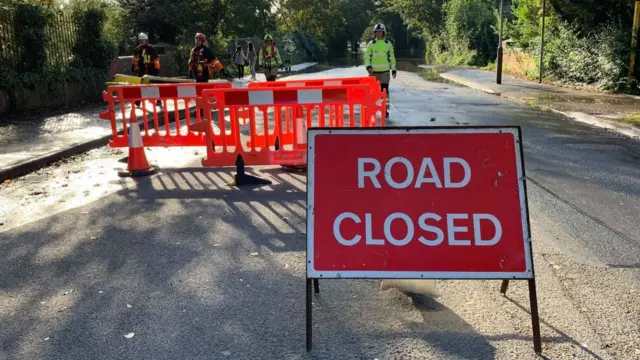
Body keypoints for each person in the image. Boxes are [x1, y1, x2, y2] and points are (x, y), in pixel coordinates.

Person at [364, 23, 396, 117]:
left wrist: (393, 69)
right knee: (371, 92)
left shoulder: (388, 44)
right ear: (375, 33)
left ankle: (385, 110)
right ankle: (371, 109)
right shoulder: (371, 44)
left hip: (385, 72)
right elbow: (367, 56)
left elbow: (392, 58)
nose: (378, 33)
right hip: (373, 72)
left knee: (385, 92)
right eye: (377, 32)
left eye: (380, 32)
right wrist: (368, 67)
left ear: (383, 33)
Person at [131, 32, 161, 107]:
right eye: (140, 40)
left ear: (146, 40)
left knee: (154, 86)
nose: (141, 41)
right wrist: (133, 66)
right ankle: (138, 101)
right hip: (141, 70)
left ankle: (159, 100)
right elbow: (134, 59)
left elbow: (156, 59)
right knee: (140, 86)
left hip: (151, 70)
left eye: (143, 40)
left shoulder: (151, 49)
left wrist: (156, 68)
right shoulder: (137, 49)